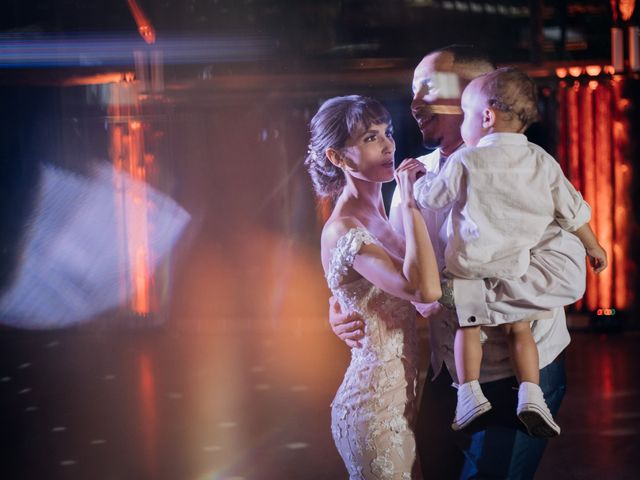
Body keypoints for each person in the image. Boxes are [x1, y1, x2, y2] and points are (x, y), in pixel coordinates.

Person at [329, 46, 588, 479]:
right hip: (442, 376)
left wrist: (456, 294)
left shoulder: (533, 175)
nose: (414, 105)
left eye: (428, 89)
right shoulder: (412, 177)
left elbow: (565, 279)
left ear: (476, 96)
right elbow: (394, 271)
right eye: (413, 91)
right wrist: (344, 305)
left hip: (519, 378)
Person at [413, 66, 608, 437]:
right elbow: (572, 209)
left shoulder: (466, 159)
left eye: (466, 114)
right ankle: (531, 393)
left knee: (468, 327)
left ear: (485, 116)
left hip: (468, 268)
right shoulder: (540, 161)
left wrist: (416, 187)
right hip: (515, 264)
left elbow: (432, 196)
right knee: (520, 330)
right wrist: (593, 245)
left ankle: (469, 393)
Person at [306, 95, 442, 479]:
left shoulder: (386, 213)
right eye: (370, 138)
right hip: (372, 405)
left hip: (408, 397)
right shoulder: (344, 228)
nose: (388, 146)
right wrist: (413, 201)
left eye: (388, 133)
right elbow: (423, 291)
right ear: (337, 158)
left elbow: (424, 302)